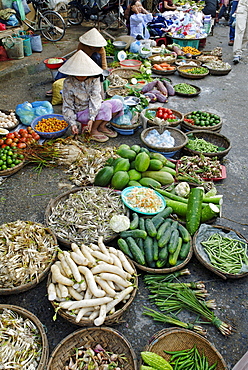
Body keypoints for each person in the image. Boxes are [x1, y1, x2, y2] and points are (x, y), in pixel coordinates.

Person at [59, 50, 124, 142]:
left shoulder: (94, 79)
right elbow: (67, 105)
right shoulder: (68, 82)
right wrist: (73, 124)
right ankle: (93, 130)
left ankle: (101, 126)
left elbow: (96, 99)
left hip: (94, 108)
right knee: (106, 107)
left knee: (118, 103)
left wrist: (92, 118)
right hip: (80, 112)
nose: (81, 77)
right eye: (78, 74)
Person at [46, 28, 108, 96]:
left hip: (94, 66)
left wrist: (103, 74)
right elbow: (77, 56)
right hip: (82, 62)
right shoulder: (82, 45)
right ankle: (56, 85)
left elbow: (104, 64)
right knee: (67, 63)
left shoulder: (101, 49)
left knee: (96, 56)